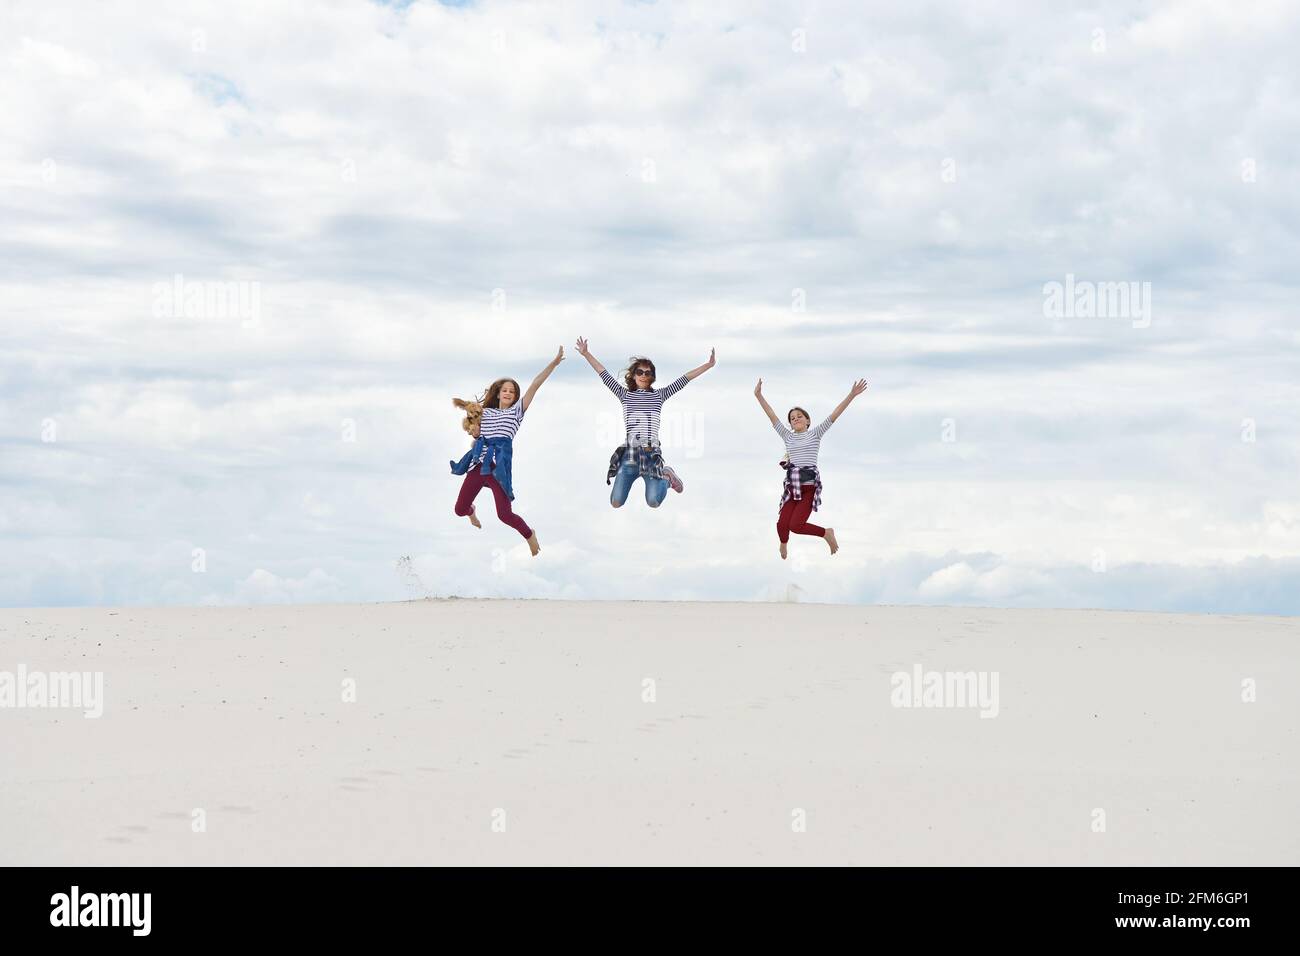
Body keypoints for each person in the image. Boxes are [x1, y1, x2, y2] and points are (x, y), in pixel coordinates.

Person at [575, 337, 715, 508]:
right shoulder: (624, 395)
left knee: (654, 501)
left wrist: (708, 365)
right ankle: (635, 479)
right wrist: (586, 353)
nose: (643, 375)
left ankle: (667, 478)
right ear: (634, 376)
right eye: (640, 372)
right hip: (630, 456)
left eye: (648, 373)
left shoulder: (659, 396)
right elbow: (603, 374)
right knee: (616, 502)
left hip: (650, 456)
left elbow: (684, 380)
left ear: (652, 377)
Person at [449, 347, 564, 555]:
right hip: (478, 464)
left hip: (497, 469)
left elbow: (535, 385)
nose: (508, 393)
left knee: (504, 514)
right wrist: (474, 434)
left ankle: (530, 534)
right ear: (499, 393)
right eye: (505, 390)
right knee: (459, 510)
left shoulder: (516, 412)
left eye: (512, 391)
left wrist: (554, 364)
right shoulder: (486, 412)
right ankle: (471, 511)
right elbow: (475, 434)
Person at [753, 377, 868, 558]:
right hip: (793, 489)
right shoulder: (787, 436)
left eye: (799, 416)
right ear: (790, 425)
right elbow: (771, 415)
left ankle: (826, 533)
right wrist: (759, 396)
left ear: (807, 421)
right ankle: (784, 544)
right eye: (792, 418)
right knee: (781, 525)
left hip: (808, 489)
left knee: (796, 526)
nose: (796, 419)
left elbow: (834, 414)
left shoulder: (815, 434)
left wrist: (852, 395)